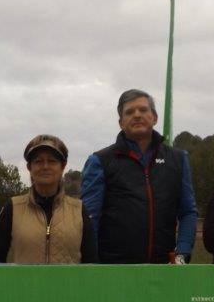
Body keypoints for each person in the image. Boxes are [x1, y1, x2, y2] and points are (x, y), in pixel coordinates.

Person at [81, 89, 197, 264]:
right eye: (129, 112)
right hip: (114, 271)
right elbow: (89, 219)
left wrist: (182, 252)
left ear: (155, 117)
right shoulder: (100, 161)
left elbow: (188, 212)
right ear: (121, 122)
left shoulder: (179, 159)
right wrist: (93, 265)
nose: (137, 115)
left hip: (164, 269)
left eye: (143, 110)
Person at [0, 134, 97, 264]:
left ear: (63, 166)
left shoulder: (79, 210)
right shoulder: (13, 207)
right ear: (29, 167)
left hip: (69, 285)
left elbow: (91, 263)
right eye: (38, 161)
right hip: (25, 285)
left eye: (52, 161)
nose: (45, 166)